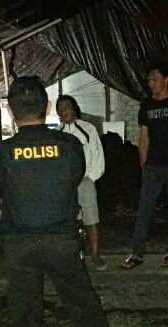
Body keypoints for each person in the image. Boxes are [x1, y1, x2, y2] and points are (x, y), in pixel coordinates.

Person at [0, 76, 125, 327]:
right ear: (47, 107)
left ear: (11, 111)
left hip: (20, 243)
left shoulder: (1, 152)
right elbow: (76, 177)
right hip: (62, 239)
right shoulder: (69, 146)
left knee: (26, 311)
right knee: (83, 302)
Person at [121, 61, 168, 269]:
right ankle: (137, 253)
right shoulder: (147, 105)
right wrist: (143, 162)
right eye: (149, 80)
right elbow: (144, 136)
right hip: (153, 166)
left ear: (166, 79)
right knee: (144, 208)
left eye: (155, 79)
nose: (151, 83)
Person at [56, 95, 107, 270]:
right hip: (64, 185)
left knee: (91, 219)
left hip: (85, 181)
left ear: (74, 108)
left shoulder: (88, 128)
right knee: (67, 222)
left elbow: (98, 154)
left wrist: (91, 178)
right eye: (59, 109)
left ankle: (95, 255)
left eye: (66, 107)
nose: (63, 111)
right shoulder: (57, 133)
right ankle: (71, 257)